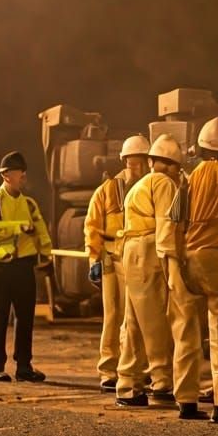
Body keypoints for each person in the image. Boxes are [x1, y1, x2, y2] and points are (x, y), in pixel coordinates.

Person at [167, 117, 218, 423]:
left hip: (190, 256)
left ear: (200, 148)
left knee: (186, 330)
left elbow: (175, 216)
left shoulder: (188, 179)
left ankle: (186, 401)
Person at [113, 135, 181, 408]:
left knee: (134, 321)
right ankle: (163, 379)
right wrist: (171, 262)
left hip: (132, 251)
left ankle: (128, 384)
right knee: (154, 320)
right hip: (149, 250)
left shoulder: (139, 185)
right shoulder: (164, 183)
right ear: (172, 165)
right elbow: (165, 225)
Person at [0, 151, 52, 383]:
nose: (24, 177)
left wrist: (47, 256)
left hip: (25, 265)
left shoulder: (29, 204)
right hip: (1, 264)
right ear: (7, 175)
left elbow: (41, 230)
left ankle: (24, 366)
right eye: (20, 173)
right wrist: (18, 227)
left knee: (25, 318)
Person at [84, 135, 151, 392]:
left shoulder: (152, 187)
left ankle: (136, 368)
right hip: (113, 259)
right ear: (124, 160)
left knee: (139, 319)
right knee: (114, 316)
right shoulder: (108, 190)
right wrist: (94, 258)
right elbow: (92, 225)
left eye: (141, 162)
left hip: (142, 258)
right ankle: (108, 369)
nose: (137, 167)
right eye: (132, 162)